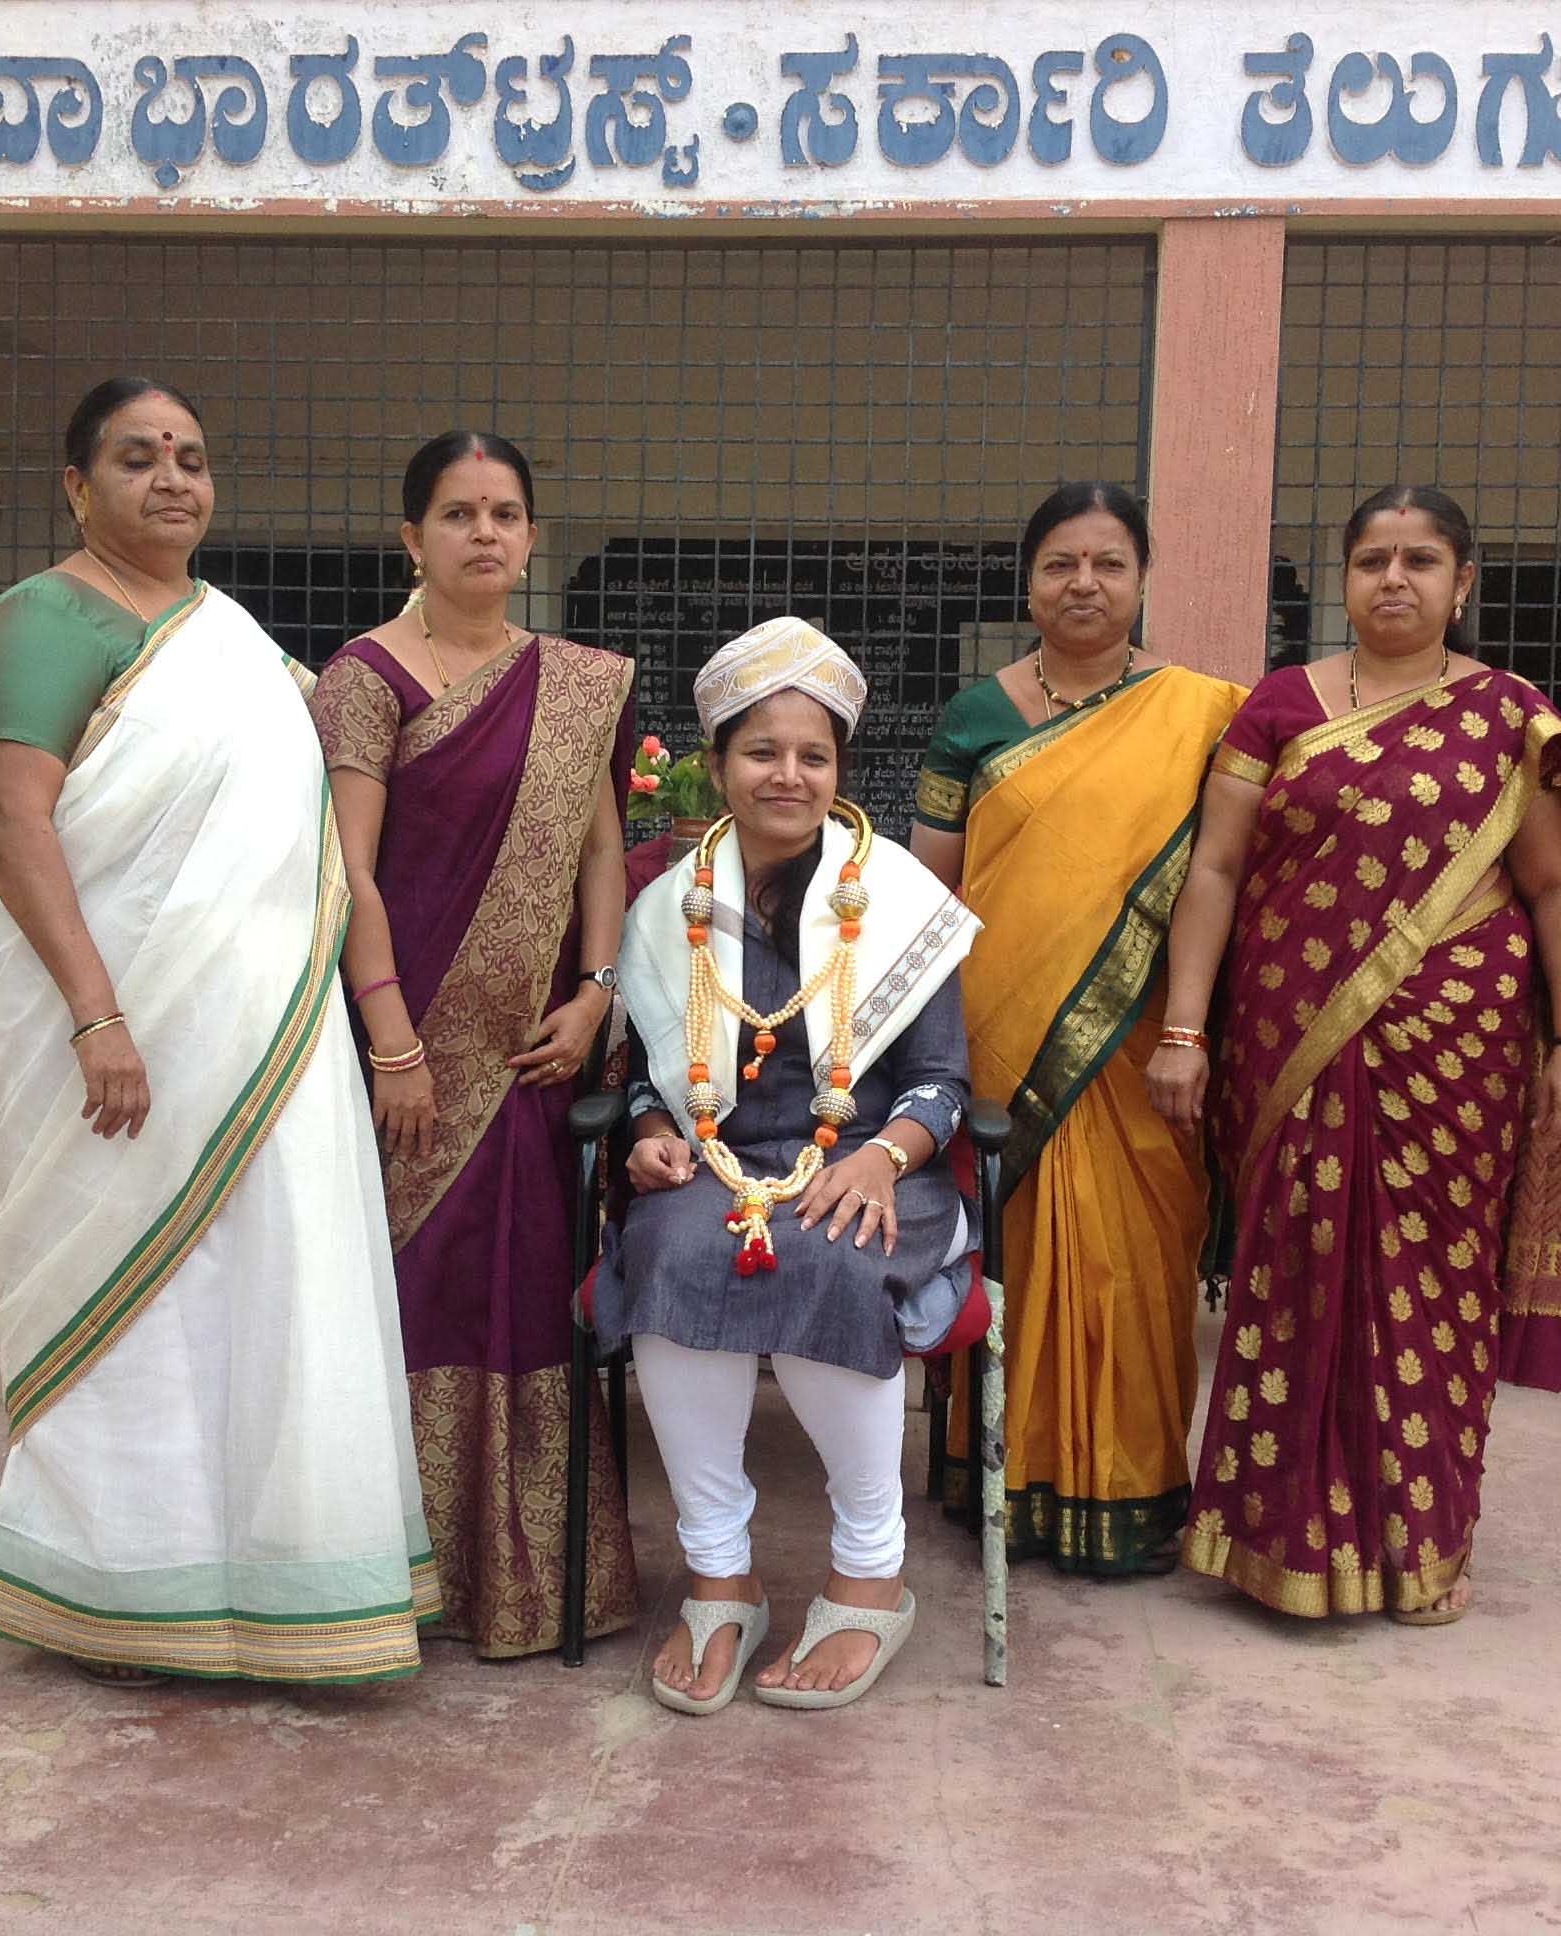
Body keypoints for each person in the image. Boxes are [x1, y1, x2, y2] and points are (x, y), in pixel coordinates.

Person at [0, 376, 437, 1683]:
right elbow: (10, 819)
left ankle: (277, 1570)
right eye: (137, 458)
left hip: (262, 1031)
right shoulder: (42, 619)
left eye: (190, 458)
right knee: (136, 1299)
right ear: (77, 485)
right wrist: (97, 1014)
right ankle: (114, 1578)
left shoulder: (234, 639)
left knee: (264, 1283)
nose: (172, 479)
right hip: (107, 1028)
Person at [1149, 484, 1561, 1625]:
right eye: (1371, 560)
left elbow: (1558, 886)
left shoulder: (1509, 717)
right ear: (1346, 578)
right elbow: (1216, 870)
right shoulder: (1278, 705)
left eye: (1420, 561)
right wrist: (1183, 1029)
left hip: (1456, 1054)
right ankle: (1270, 1537)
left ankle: (1423, 1546)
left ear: (1463, 584)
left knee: (1432, 1289)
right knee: (1292, 1272)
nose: (1394, 580)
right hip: (1290, 1042)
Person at [601, 618, 981, 1713]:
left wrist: (883, 1157)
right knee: (671, 1253)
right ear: (718, 764)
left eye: (814, 755)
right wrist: (648, 1132)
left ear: (839, 771)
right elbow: (645, 1073)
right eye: (762, 751)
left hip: (873, 1165)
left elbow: (943, 1081)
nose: (789, 775)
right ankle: (720, 1576)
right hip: (715, 1165)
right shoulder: (665, 905)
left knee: (830, 1257)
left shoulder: (898, 896)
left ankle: (870, 1574)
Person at [311, 430, 638, 1659]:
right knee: (412, 1290)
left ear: (531, 535)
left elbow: (601, 852)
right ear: (414, 537)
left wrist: (596, 993)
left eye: (504, 513)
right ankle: (395, 1569)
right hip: (402, 1046)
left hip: (533, 1052)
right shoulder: (366, 677)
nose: (484, 533)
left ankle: (528, 1577)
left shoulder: (575, 682)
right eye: (458, 513)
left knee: (528, 1287)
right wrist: (394, 1041)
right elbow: (346, 871)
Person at [910, 484, 1245, 1575]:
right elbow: (930, 892)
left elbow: (1218, 880)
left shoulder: (1205, 715)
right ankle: (997, 1478)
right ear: (1029, 583)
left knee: (1134, 1270)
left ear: (1142, 579)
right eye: (1060, 564)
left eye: (1108, 563)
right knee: (1012, 1262)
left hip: (1143, 1043)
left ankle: (1130, 1490)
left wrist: (1189, 1031)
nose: (1084, 585)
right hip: (1002, 1039)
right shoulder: (974, 717)